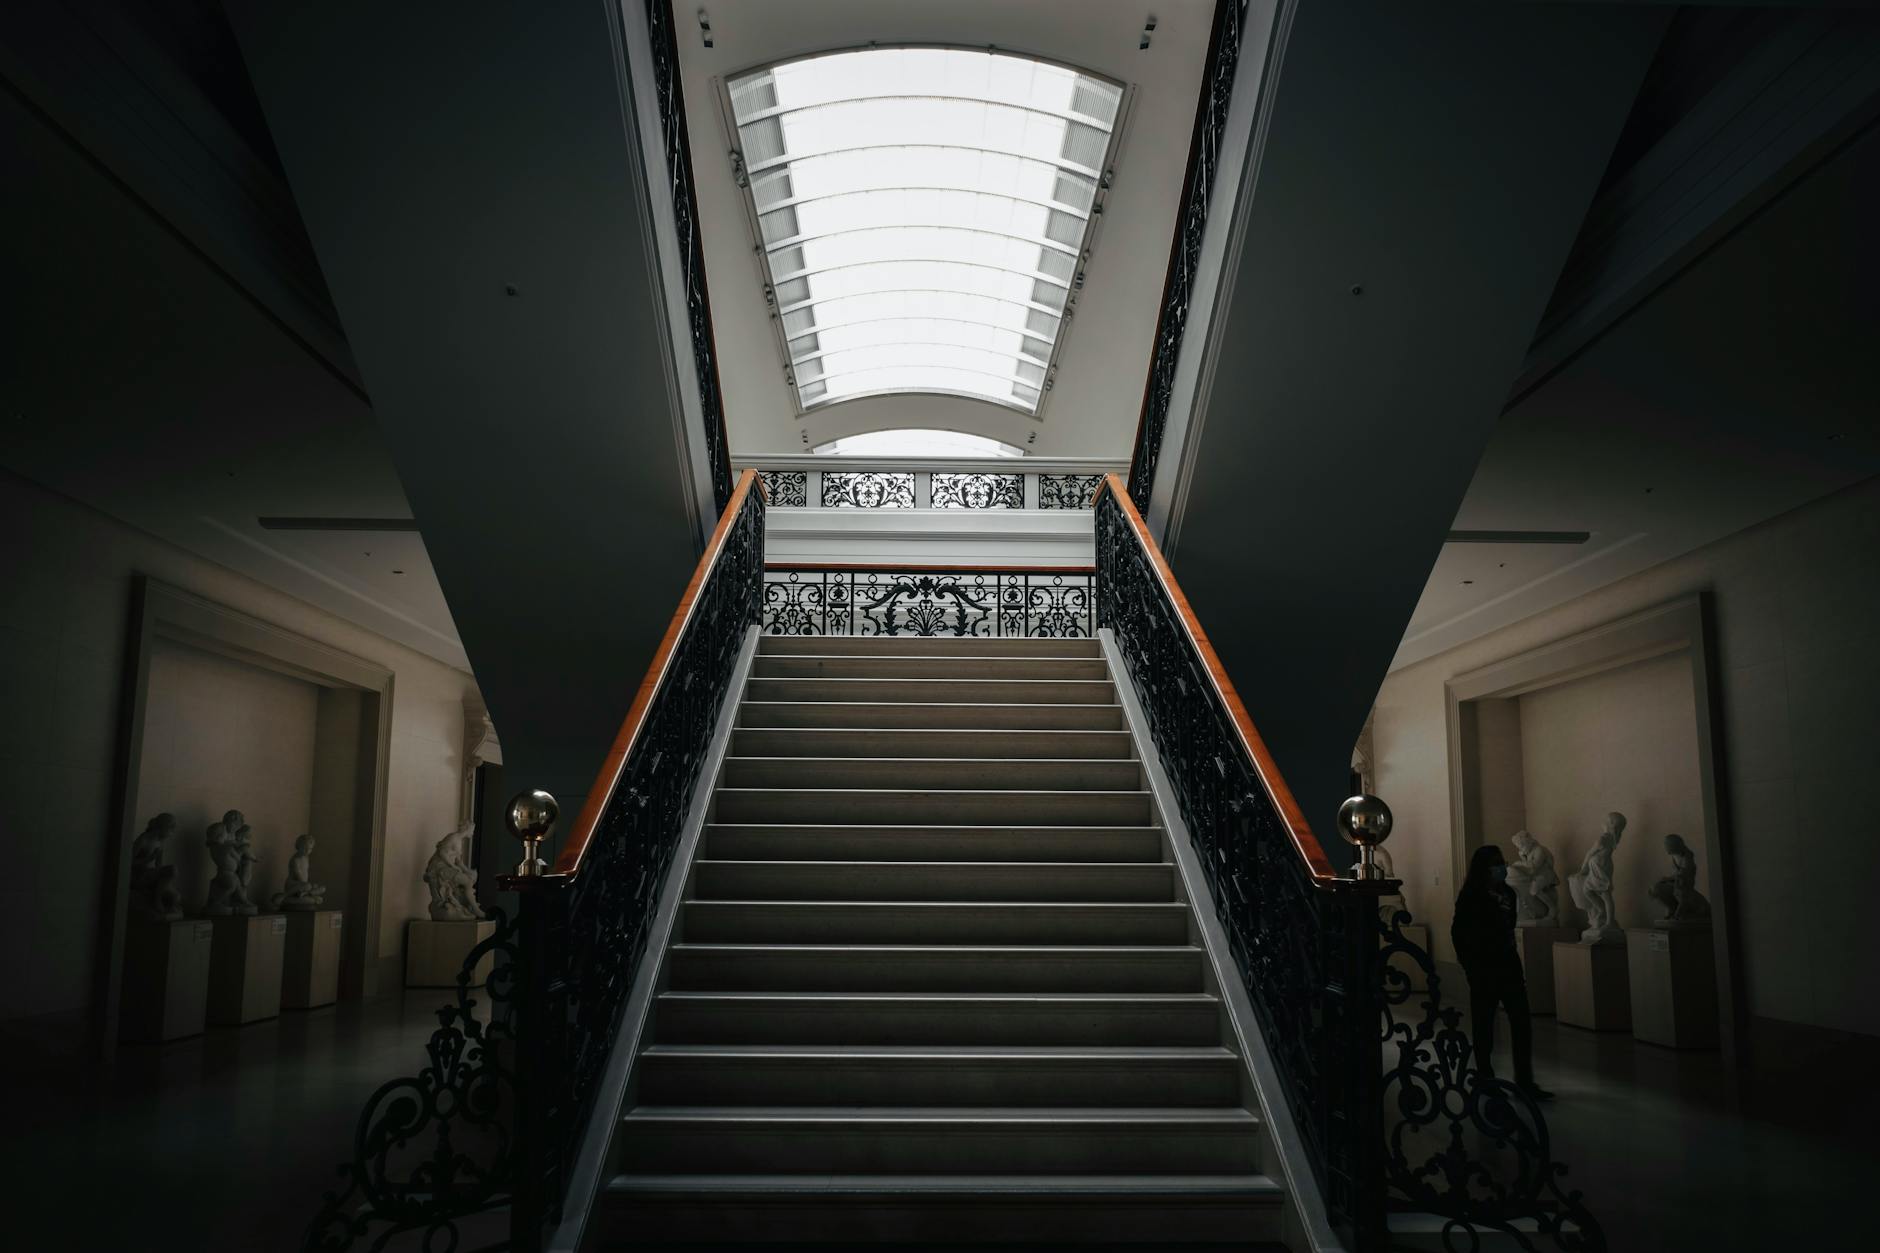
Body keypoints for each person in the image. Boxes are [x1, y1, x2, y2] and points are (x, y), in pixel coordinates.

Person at [1450, 844, 1554, 1101]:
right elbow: (1459, 933)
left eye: (1502, 863)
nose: (1502, 868)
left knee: (1521, 1023)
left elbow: (1508, 928)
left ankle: (1525, 1080)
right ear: (1484, 869)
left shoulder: (1508, 893)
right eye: (1496, 864)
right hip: (1483, 970)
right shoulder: (1471, 896)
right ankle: (1485, 1078)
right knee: (1484, 1027)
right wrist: (1471, 967)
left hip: (1508, 968)